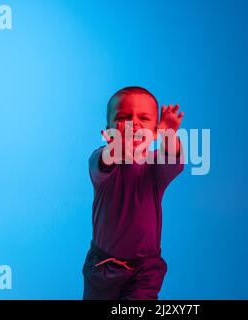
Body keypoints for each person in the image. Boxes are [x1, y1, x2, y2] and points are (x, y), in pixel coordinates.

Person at [82, 86, 185, 300]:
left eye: (144, 119)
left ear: (155, 132)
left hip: (144, 270)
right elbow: (103, 161)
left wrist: (169, 136)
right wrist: (115, 149)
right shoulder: (102, 162)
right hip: (101, 267)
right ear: (107, 131)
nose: (134, 124)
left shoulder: (155, 167)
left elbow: (172, 156)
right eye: (123, 117)